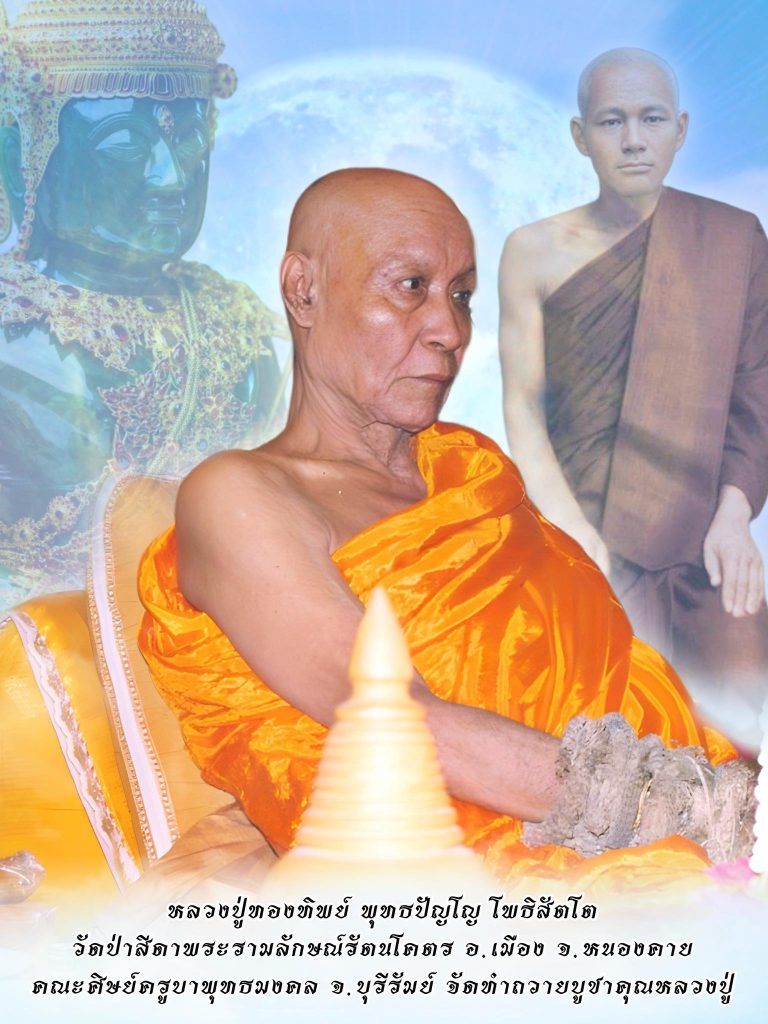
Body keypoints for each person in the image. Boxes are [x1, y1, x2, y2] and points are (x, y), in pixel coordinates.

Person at [139, 168, 755, 888]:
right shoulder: (239, 493)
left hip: (688, 789)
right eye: (410, 287)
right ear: (303, 290)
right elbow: (397, 720)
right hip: (507, 870)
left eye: (460, 295)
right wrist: (702, 813)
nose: (451, 331)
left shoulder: (468, 469)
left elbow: (604, 673)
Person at [498, 48, 768, 738]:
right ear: (579, 135)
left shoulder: (735, 238)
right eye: (611, 121)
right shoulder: (532, 250)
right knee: (604, 740)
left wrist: (736, 514)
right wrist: (574, 537)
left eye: (651, 118)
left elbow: (757, 388)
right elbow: (523, 407)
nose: (634, 140)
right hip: (580, 532)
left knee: (740, 735)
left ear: (681, 128)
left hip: (704, 538)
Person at [0, 0, 285, 610]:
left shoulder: (237, 326)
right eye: (127, 144)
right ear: (22, 159)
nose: (170, 178)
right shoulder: (15, 339)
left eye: (190, 139)